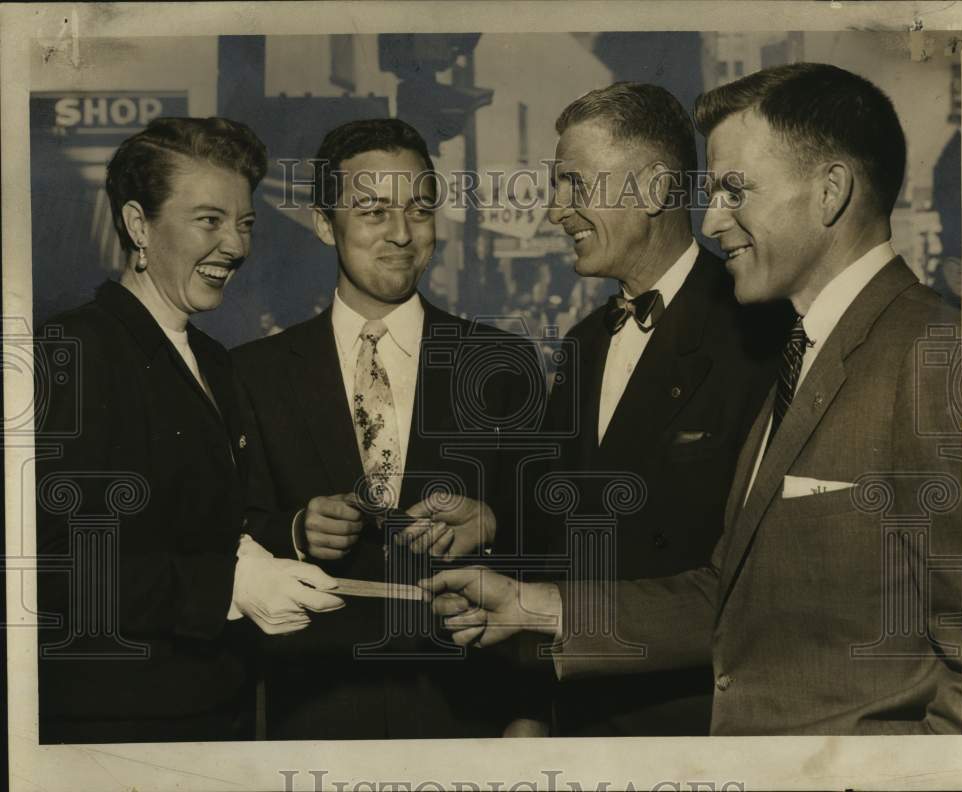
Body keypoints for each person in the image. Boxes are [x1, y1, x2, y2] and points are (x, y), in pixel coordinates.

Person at [424, 63, 962, 736]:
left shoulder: (936, 357)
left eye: (735, 189)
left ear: (830, 192)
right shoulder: (809, 345)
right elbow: (726, 592)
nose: (711, 218)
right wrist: (536, 609)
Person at [35, 117, 345, 744]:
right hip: (115, 728)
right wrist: (231, 585)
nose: (236, 245)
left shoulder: (214, 362)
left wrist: (276, 543)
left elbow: (209, 523)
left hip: (215, 714)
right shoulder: (73, 351)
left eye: (245, 222)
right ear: (137, 225)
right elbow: (60, 566)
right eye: (209, 220)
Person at [232, 118, 535, 739]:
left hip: (469, 703)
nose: (401, 234)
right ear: (325, 224)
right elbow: (225, 531)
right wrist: (296, 528)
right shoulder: (253, 374)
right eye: (372, 211)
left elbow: (559, 529)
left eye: (420, 209)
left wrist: (494, 520)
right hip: (316, 706)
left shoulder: (501, 364)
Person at [508, 82, 784, 737]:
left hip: (696, 732)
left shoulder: (763, 337)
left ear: (655, 191)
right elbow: (549, 547)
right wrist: (526, 707)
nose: (556, 211)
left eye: (576, 184)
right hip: (576, 718)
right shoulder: (580, 345)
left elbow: (760, 591)